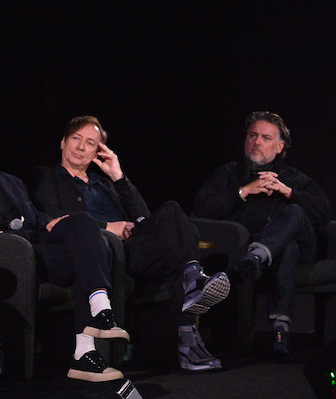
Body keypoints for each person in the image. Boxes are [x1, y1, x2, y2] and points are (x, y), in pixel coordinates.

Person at [0, 107, 128, 383]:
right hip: (1, 258)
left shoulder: (11, 182)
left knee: (84, 229)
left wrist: (51, 223)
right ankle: (88, 342)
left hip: (33, 249)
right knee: (85, 254)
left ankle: (94, 324)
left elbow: (33, 219)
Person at [28, 115, 230, 372]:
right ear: (62, 143)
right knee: (175, 248)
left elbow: (143, 218)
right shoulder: (46, 177)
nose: (80, 147)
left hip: (134, 249)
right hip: (103, 251)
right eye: (76, 139)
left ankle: (192, 278)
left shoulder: (104, 184)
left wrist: (118, 176)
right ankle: (187, 336)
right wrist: (108, 228)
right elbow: (52, 221)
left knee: (172, 213)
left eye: (90, 143)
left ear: (97, 152)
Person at [193, 111, 332, 356]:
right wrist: (245, 190)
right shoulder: (229, 173)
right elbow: (202, 208)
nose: (257, 142)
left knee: (295, 212)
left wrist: (287, 192)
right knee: (287, 247)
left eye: (266, 138)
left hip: (301, 250)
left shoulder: (293, 179)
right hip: (248, 246)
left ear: (280, 147)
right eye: (253, 135)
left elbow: (324, 213)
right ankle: (281, 330)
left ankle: (257, 258)